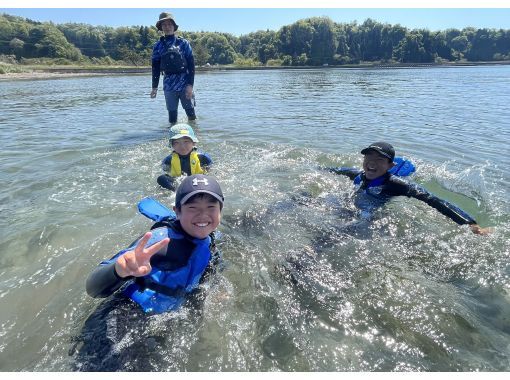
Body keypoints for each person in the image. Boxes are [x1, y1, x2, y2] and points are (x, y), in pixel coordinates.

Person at [86, 174, 224, 314]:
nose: (202, 214)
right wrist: (120, 270)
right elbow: (93, 289)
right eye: (192, 207)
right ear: (177, 212)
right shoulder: (159, 242)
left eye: (211, 207)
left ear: (220, 211)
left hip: (168, 316)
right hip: (127, 313)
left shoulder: (211, 243)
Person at [324, 142, 491, 235]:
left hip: (371, 215)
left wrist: (469, 223)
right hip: (353, 205)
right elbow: (336, 170)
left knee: (339, 231)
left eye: (380, 159)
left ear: (391, 165)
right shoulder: (358, 175)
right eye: (369, 157)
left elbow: (433, 200)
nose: (372, 162)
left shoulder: (396, 184)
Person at [150, 12, 196, 124]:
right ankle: (172, 139)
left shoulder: (184, 43)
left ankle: (194, 136)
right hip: (168, 85)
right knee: (172, 118)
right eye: (164, 24)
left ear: (174, 26)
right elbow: (155, 67)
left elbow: (191, 65)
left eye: (169, 24)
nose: (167, 27)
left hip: (184, 84)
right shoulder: (157, 46)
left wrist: (190, 85)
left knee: (191, 115)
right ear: (161, 27)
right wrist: (154, 87)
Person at [157, 123, 212, 191]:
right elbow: (166, 172)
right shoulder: (168, 160)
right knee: (161, 179)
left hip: (198, 182)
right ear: (172, 145)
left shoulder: (203, 158)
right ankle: (176, 193)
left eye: (186, 141)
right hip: (178, 183)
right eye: (177, 143)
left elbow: (209, 172)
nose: (182, 146)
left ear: (193, 142)